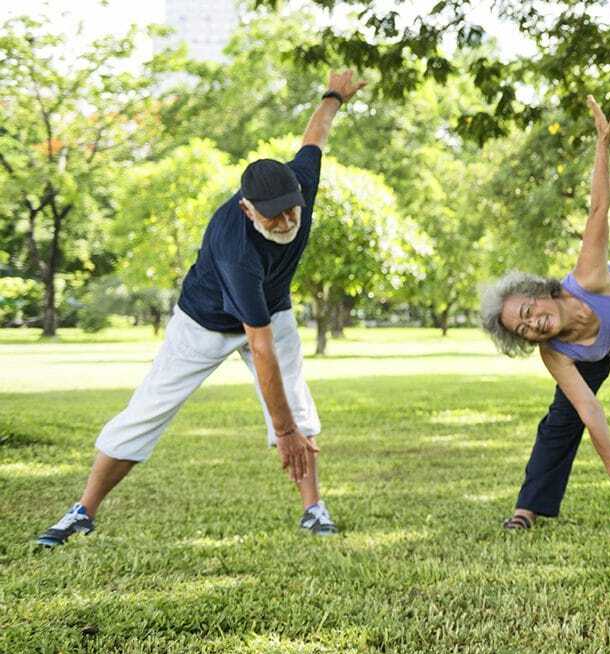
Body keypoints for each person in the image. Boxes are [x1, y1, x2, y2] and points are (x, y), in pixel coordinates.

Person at [34, 70, 368, 547]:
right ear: (247, 209)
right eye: (272, 214)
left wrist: (335, 95)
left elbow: (315, 136)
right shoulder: (237, 250)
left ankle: (313, 509)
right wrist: (283, 431)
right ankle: (82, 510)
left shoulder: (300, 185)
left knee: (301, 410)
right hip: (204, 321)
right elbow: (261, 348)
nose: (286, 220)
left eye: (291, 209)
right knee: (147, 410)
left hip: (272, 309)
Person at [479, 97, 610, 534]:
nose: (532, 324)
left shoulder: (588, 277)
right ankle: (527, 509)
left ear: (544, 293)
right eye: (523, 328)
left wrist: (603, 146)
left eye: (530, 311)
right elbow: (590, 410)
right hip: (596, 349)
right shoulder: (554, 351)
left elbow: (598, 210)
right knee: (561, 421)